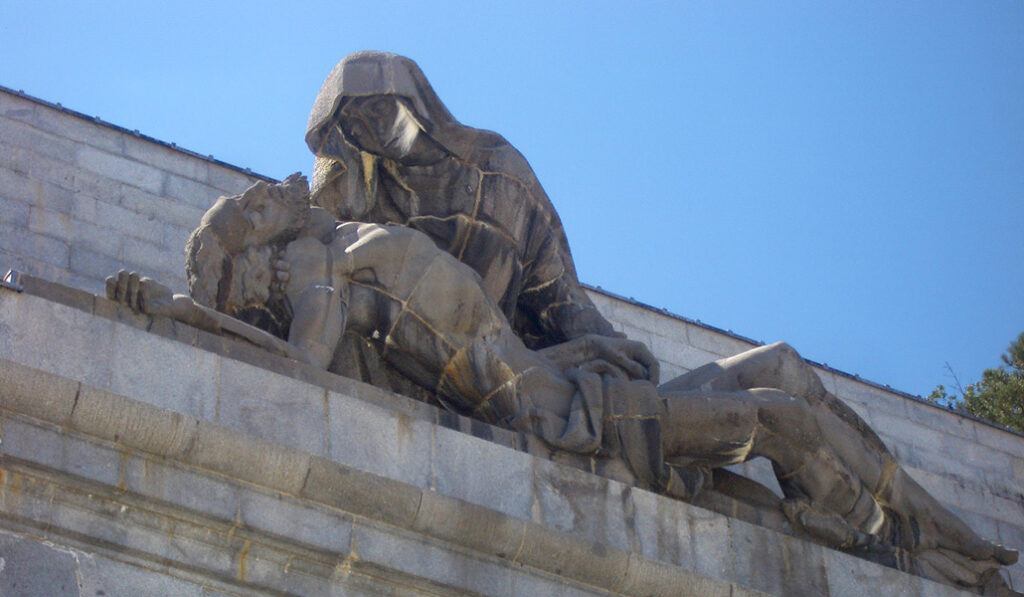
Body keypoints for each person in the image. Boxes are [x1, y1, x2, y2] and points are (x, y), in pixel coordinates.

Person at [110, 174, 1016, 593]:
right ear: (254, 265)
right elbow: (306, 373)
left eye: (258, 200)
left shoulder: (339, 245)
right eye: (251, 212)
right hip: (571, 418)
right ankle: (924, 550)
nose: (270, 193)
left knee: (778, 365)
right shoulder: (319, 271)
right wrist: (185, 315)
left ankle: (940, 537)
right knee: (776, 414)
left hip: (566, 382)